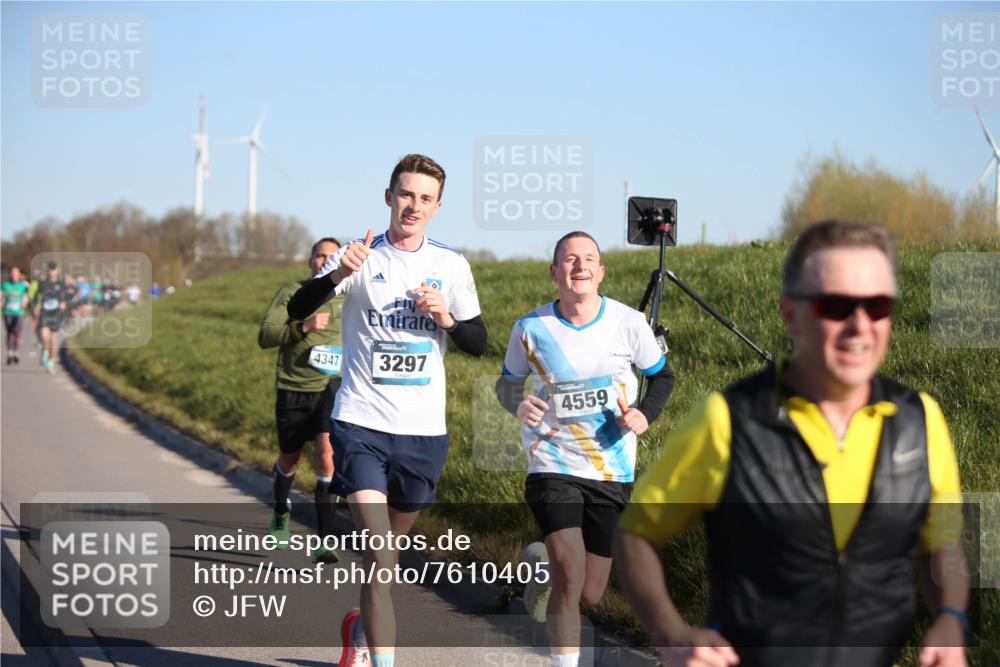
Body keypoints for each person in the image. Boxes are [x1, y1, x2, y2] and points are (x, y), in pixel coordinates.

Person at [614, 220, 969, 667]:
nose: (860, 326)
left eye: (877, 306)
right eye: (836, 306)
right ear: (790, 314)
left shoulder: (920, 421)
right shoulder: (729, 420)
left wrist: (951, 617)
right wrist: (670, 633)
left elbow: (945, 543)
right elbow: (635, 536)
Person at [287, 154, 488, 667]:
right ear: (388, 196)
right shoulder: (361, 256)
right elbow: (297, 308)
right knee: (379, 553)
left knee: (386, 562)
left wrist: (445, 317)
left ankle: (360, 630)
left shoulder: (451, 265)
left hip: (423, 434)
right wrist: (336, 278)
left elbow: (478, 342)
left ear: (437, 207)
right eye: (405, 194)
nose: (413, 206)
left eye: (424, 198)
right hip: (361, 425)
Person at [494, 231, 674, 667]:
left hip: (612, 469)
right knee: (570, 574)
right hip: (552, 462)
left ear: (601, 272)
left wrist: (644, 413)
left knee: (590, 591)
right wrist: (518, 404)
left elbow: (663, 377)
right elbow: (505, 384)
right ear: (554, 270)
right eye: (570, 259)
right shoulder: (530, 328)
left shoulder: (629, 323)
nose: (580, 266)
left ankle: (541, 571)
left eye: (589, 259)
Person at [258, 237, 344, 564]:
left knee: (327, 456)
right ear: (310, 260)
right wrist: (303, 327)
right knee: (290, 459)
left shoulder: (348, 297)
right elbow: (265, 336)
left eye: (332, 256)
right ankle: (281, 510)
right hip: (294, 386)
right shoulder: (292, 292)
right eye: (319, 255)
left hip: (330, 387)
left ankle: (324, 540)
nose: (325, 261)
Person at [32, 262, 69, 373]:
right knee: (45, 338)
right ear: (47, 271)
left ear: (57, 270)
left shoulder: (61, 284)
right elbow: (36, 297)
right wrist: (36, 307)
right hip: (45, 313)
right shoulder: (42, 284)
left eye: (53, 269)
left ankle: (51, 362)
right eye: (50, 269)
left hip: (56, 314)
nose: (51, 271)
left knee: (53, 341)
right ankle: (44, 351)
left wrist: (63, 303)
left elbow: (65, 296)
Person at [2, 266, 31, 365]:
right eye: (13, 273)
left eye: (16, 273)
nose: (14, 274)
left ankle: (16, 352)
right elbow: (1, 295)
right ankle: (10, 353)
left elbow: (26, 296)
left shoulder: (23, 286)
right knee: (9, 332)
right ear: (11, 274)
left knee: (16, 332)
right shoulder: (5, 284)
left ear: (19, 274)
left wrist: (25, 303)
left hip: (19, 312)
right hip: (7, 312)